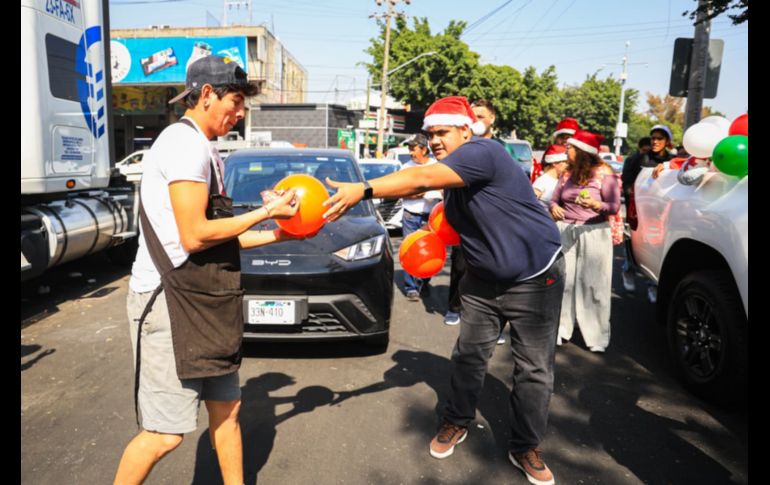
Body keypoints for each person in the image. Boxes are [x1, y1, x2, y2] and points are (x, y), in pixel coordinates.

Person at [323, 96, 565, 485]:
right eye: (430, 133)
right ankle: (456, 420)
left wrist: (362, 189)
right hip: (483, 281)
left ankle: (525, 446)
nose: (434, 140)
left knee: (534, 370)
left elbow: (420, 178)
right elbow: (417, 191)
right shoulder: (454, 177)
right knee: (469, 356)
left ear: (466, 132)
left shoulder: (483, 151)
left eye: (442, 132)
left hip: (535, 277)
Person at [114, 56, 301, 485]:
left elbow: (220, 238)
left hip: (205, 300)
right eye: (235, 102)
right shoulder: (183, 145)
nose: (240, 113)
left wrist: (278, 234)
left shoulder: (206, 147)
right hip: (169, 304)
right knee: (164, 434)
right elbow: (195, 235)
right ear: (205, 95)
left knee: (228, 413)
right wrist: (265, 212)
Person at [549, 130, 621, 353]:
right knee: (565, 282)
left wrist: (597, 206)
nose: (566, 150)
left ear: (582, 152)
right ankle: (561, 329)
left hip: (593, 233)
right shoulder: (566, 174)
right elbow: (553, 199)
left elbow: (614, 206)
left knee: (593, 284)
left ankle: (596, 336)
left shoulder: (604, 173)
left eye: (570, 148)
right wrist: (554, 207)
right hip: (566, 230)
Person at [620, 127, 673, 292]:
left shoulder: (672, 160)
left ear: (667, 142)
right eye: (653, 138)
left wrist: (667, 166)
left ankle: (652, 285)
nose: (655, 141)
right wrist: (639, 197)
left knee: (656, 247)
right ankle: (628, 270)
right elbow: (627, 182)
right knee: (633, 244)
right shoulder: (638, 159)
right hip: (637, 211)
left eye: (659, 138)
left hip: (660, 214)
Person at [400, 133, 443, 301]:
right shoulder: (406, 168)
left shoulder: (436, 166)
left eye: (414, 149)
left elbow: (444, 189)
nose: (411, 153)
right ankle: (411, 287)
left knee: (429, 251)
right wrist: (417, 194)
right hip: (411, 215)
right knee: (410, 249)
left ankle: (424, 281)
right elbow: (401, 191)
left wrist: (434, 191)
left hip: (432, 216)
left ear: (424, 149)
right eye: (410, 149)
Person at [532, 144, 569, 209]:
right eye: (564, 162)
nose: (567, 165)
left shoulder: (561, 180)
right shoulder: (542, 181)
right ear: (554, 163)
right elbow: (531, 204)